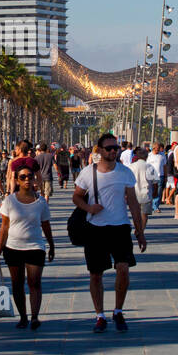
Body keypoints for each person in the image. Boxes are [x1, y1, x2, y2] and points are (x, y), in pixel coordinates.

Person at [73, 132, 147, 333]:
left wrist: (140, 232)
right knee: (95, 274)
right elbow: (77, 197)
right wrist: (89, 209)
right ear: (99, 150)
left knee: (123, 268)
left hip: (120, 227)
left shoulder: (125, 172)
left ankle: (118, 311)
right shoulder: (88, 173)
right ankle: (100, 315)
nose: (114, 151)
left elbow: (133, 203)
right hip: (95, 228)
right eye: (109, 148)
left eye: (116, 148)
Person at [0, 165, 54, 330]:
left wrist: (51, 245)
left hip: (35, 247)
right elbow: (4, 227)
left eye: (30, 176)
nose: (27, 179)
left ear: (34, 179)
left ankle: (34, 317)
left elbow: (46, 225)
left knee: (35, 282)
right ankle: (23, 317)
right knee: (17, 283)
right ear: (17, 181)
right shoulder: (10, 201)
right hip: (13, 247)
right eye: (23, 177)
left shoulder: (40, 202)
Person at [129, 147, 160, 220]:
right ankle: (141, 230)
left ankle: (137, 229)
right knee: (144, 215)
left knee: (135, 213)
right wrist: (155, 193)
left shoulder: (131, 167)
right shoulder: (149, 167)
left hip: (134, 195)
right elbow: (155, 182)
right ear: (146, 156)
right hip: (146, 194)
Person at [146, 143, 167, 215]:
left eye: (159, 149)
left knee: (159, 191)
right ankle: (150, 204)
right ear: (153, 148)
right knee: (151, 190)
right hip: (151, 176)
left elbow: (164, 166)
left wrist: (165, 176)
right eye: (156, 149)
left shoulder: (162, 155)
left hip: (160, 175)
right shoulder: (149, 155)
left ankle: (156, 206)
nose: (158, 150)